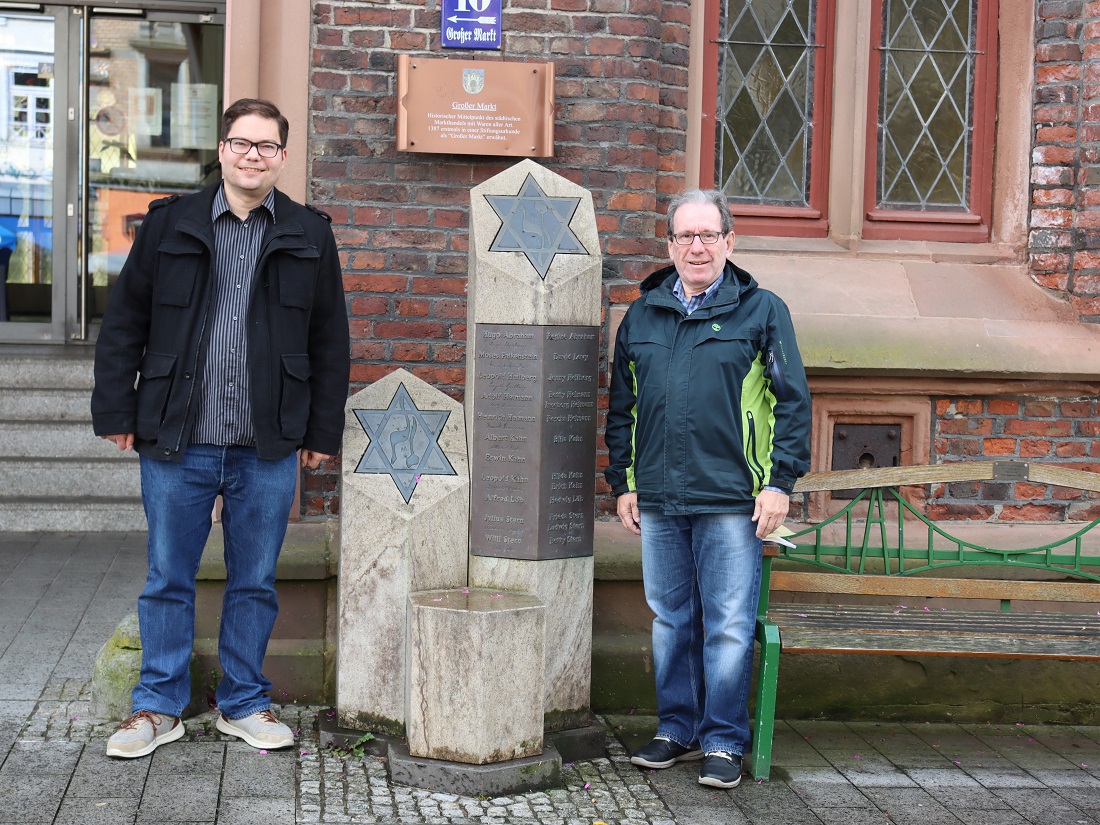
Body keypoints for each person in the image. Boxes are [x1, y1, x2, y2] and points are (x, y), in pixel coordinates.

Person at [92, 98, 350, 759]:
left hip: (267, 443)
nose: (253, 155)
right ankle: (157, 707)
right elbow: (125, 322)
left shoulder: (308, 233)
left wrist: (322, 430)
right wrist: (116, 410)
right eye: (242, 143)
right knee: (167, 576)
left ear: (283, 157)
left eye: (267, 146)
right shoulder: (168, 224)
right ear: (222, 149)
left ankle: (243, 702)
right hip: (177, 438)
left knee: (255, 579)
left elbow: (329, 340)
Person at [604, 188, 811, 788]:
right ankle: (677, 728)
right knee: (671, 619)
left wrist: (779, 483)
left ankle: (723, 739)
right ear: (669, 245)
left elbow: (791, 403)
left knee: (726, 622)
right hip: (660, 496)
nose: (697, 246)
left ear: (729, 242)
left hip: (731, 497)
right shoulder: (641, 314)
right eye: (685, 236)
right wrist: (624, 482)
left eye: (708, 235)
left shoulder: (761, 310)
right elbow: (623, 408)